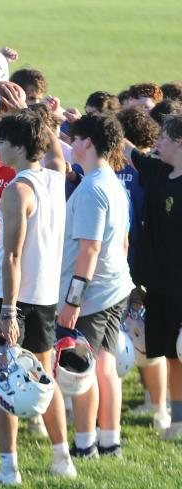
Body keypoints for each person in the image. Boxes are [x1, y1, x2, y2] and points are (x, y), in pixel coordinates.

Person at [0, 107, 76, 484]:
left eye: (2, 140)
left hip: (8, 296)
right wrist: (41, 121)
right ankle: (62, 458)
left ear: (18, 147)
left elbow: (13, 255)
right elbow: (56, 153)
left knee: (5, 381)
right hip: (46, 296)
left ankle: (9, 467)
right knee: (44, 379)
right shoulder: (54, 178)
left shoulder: (18, 191)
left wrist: (7, 310)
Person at [60, 113, 135, 459]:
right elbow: (122, 241)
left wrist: (73, 300)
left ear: (88, 142)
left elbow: (89, 248)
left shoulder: (91, 188)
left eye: (75, 138)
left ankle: (85, 443)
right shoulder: (112, 182)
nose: (71, 145)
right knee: (105, 365)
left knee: (83, 367)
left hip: (93, 294)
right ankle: (110, 441)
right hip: (115, 286)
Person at [124, 115, 182, 440]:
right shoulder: (159, 172)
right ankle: (177, 422)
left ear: (179, 142)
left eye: (163, 137)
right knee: (173, 356)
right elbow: (129, 151)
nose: (157, 142)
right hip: (159, 287)